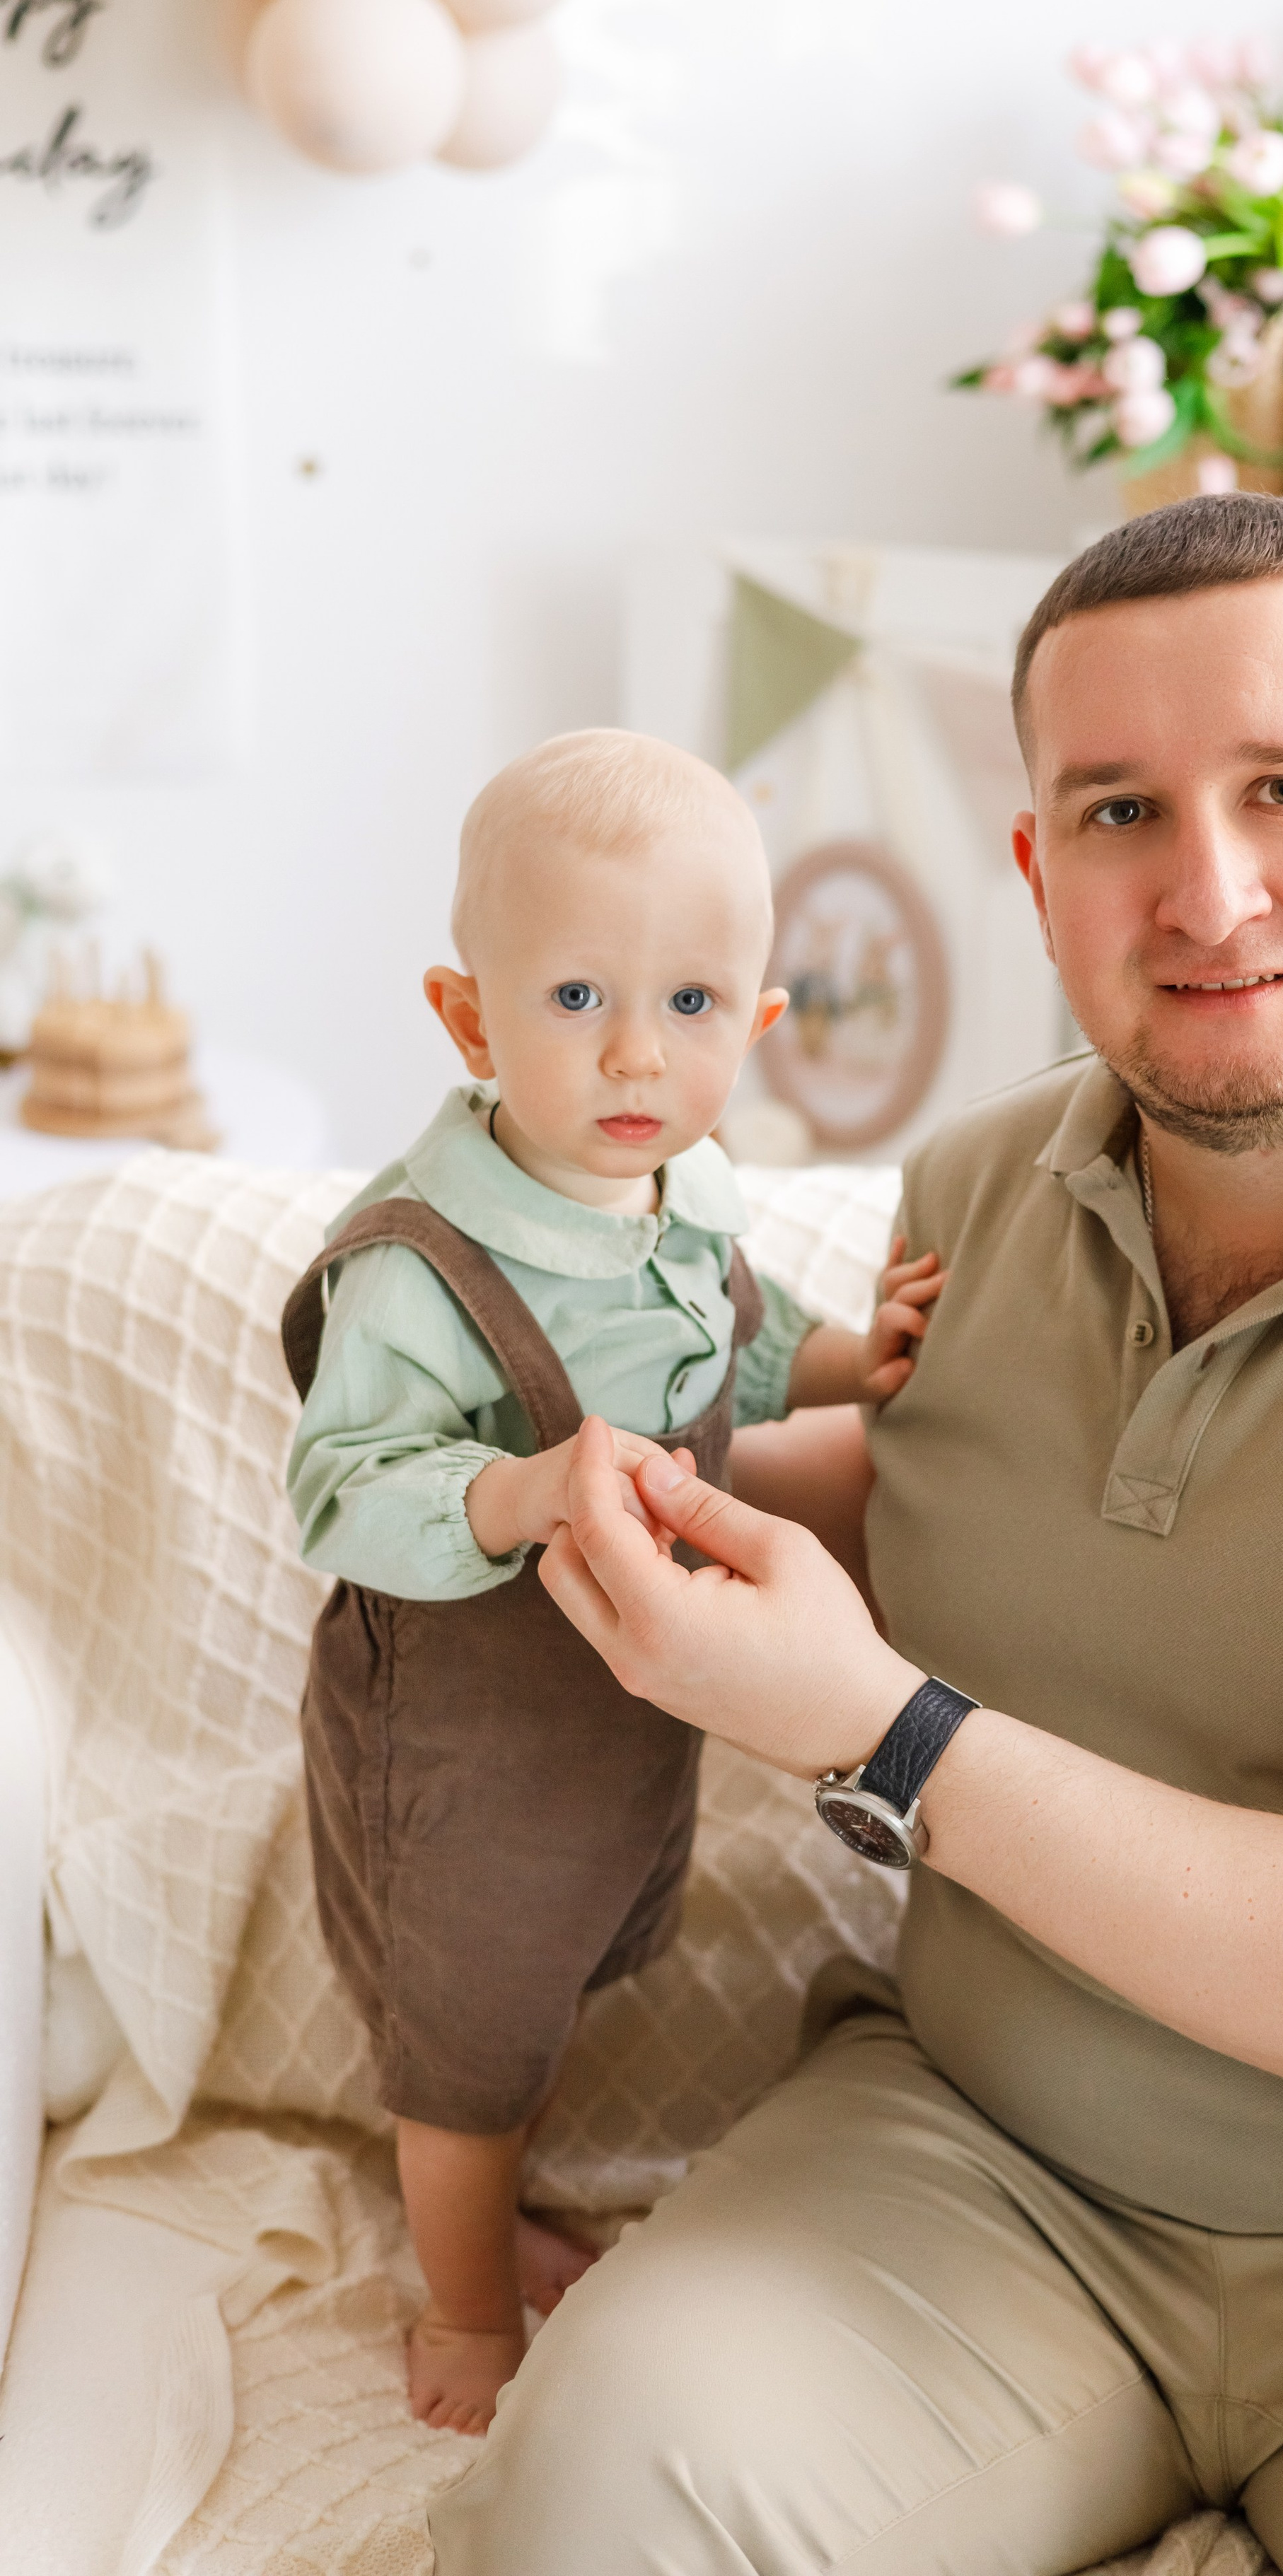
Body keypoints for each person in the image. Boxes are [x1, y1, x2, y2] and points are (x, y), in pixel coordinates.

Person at [428, 501, 1283, 2574]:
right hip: (993, 2161)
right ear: (1036, 872)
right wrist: (570, 1465)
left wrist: (887, 1735)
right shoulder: (974, 1189)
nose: (1208, 888)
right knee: (580, 2512)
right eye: (1118, 811)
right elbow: (963, 1507)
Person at [281, 729, 943, 2435]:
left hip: (618, 1720)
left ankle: (500, 2214)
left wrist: (853, 1359)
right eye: (575, 998)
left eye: (693, 1005)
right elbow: (338, 1490)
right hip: (461, 1731)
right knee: (466, 2022)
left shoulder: (682, 1187)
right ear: (466, 1017)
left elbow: (735, 1324)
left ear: (762, 1021)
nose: (638, 1052)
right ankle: (460, 2308)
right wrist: (513, 1489)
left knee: (562, 1964)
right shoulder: (426, 1265)